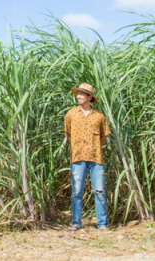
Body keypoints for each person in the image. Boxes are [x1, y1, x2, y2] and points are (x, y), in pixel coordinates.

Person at [64, 82, 111, 231]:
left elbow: (103, 138)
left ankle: (102, 224)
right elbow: (68, 134)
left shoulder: (99, 116)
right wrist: (79, 146)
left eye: (82, 94)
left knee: (100, 191)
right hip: (77, 157)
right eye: (78, 94)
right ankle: (76, 222)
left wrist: (93, 146)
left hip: (96, 158)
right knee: (76, 191)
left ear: (89, 97)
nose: (78, 96)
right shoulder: (71, 114)